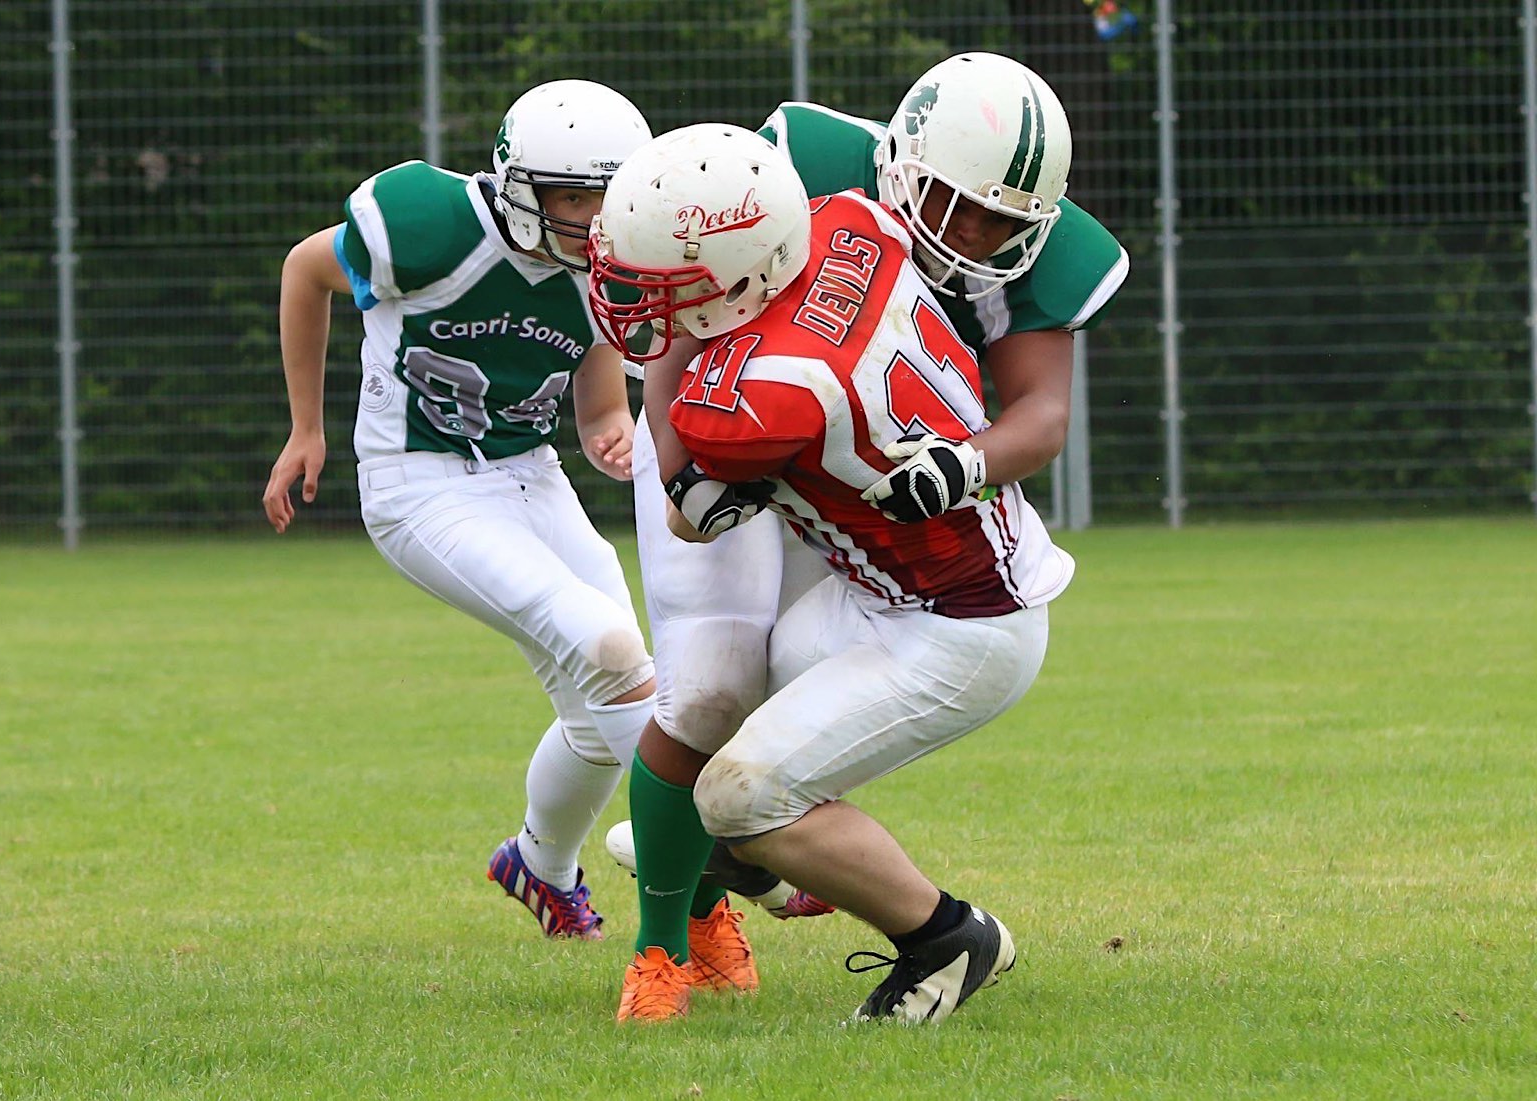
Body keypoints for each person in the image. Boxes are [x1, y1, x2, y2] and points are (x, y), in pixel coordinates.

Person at [603, 53, 1128, 1017]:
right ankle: (687, 917)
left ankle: (922, 929)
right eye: (954, 203)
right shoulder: (824, 186)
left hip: (915, 565)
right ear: (901, 166)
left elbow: (1040, 412)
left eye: (1002, 221)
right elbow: (697, 290)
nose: (973, 234)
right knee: (715, 701)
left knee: (738, 794)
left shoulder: (848, 225)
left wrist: (964, 461)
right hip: (853, 528)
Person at [262, 79, 657, 942]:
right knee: (613, 652)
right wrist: (305, 425)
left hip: (531, 474)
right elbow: (305, 269)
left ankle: (538, 865)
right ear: (519, 185)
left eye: (607, 200)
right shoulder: (430, 225)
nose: (593, 222)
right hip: (420, 482)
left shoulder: (613, 264)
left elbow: (596, 391)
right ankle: (736, 862)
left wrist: (609, 427)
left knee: (606, 703)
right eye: (572, 198)